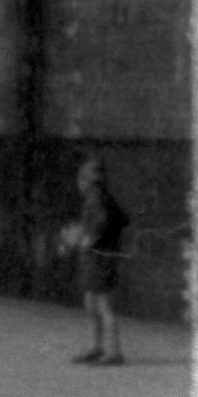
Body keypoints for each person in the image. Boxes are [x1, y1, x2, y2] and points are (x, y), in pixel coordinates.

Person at [67, 153, 130, 364]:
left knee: (102, 304)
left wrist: (89, 239)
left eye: (81, 180)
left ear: (85, 181)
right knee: (92, 302)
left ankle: (114, 352)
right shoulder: (103, 197)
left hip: (99, 260)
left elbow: (102, 222)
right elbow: (122, 219)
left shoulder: (96, 198)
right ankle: (97, 347)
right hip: (100, 259)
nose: (80, 185)